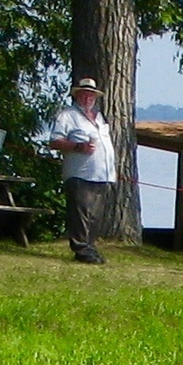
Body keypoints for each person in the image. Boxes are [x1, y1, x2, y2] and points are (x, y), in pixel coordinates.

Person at [48, 75, 117, 264]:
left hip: (102, 175)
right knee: (80, 214)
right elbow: (54, 142)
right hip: (80, 174)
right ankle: (81, 249)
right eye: (84, 94)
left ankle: (90, 247)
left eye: (91, 95)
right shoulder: (67, 115)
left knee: (95, 216)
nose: (87, 98)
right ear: (77, 96)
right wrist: (78, 147)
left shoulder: (100, 117)